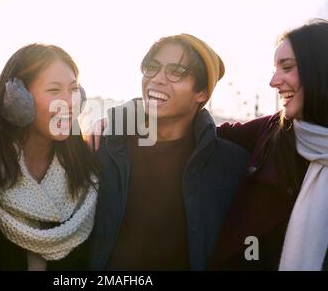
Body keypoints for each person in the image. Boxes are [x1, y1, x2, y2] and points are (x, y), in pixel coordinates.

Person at [87, 34, 249, 270]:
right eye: (151, 68)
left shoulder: (232, 166)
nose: (157, 80)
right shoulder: (104, 147)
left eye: (176, 72)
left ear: (202, 93)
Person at [210, 19, 328, 271]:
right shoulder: (271, 130)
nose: (273, 81)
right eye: (275, 68)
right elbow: (193, 133)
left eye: (287, 67)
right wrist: (126, 121)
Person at [0, 44, 101, 271]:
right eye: (54, 91)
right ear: (17, 98)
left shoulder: (87, 164)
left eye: (73, 89)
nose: (69, 102)